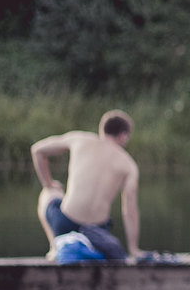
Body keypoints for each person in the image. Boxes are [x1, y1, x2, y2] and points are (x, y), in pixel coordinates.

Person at [31, 110, 142, 261]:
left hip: (65, 224)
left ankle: (55, 247)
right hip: (97, 230)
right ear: (123, 135)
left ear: (102, 129)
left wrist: (48, 183)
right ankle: (77, 246)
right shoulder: (129, 165)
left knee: (47, 194)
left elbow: (37, 150)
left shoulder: (79, 138)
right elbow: (129, 211)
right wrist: (133, 249)